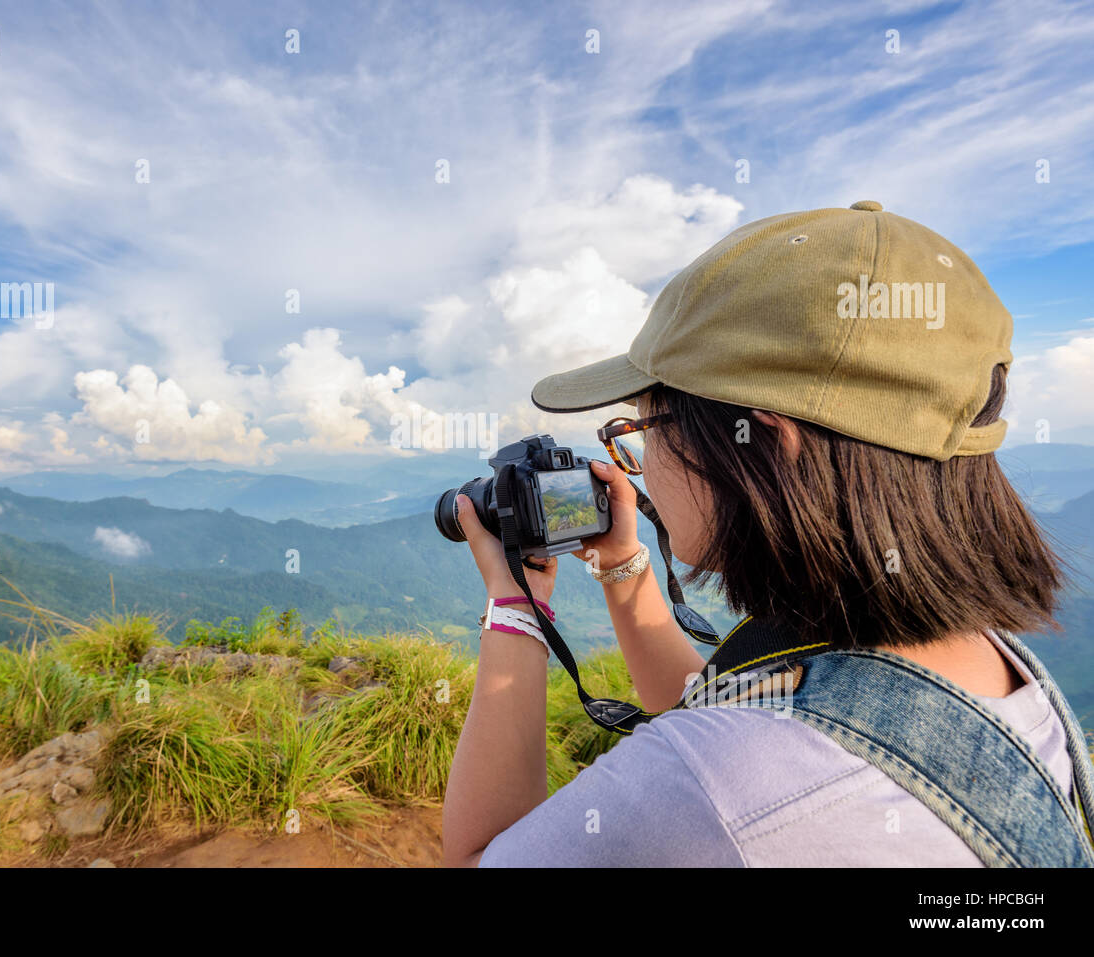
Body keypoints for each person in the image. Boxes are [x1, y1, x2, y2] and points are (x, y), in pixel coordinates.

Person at [441, 200, 1094, 867]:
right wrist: (624, 567)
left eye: (641, 427)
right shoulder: (994, 668)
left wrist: (519, 609)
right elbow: (724, 704)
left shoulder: (704, 788)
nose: (635, 463)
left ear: (766, 439)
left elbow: (480, 857)